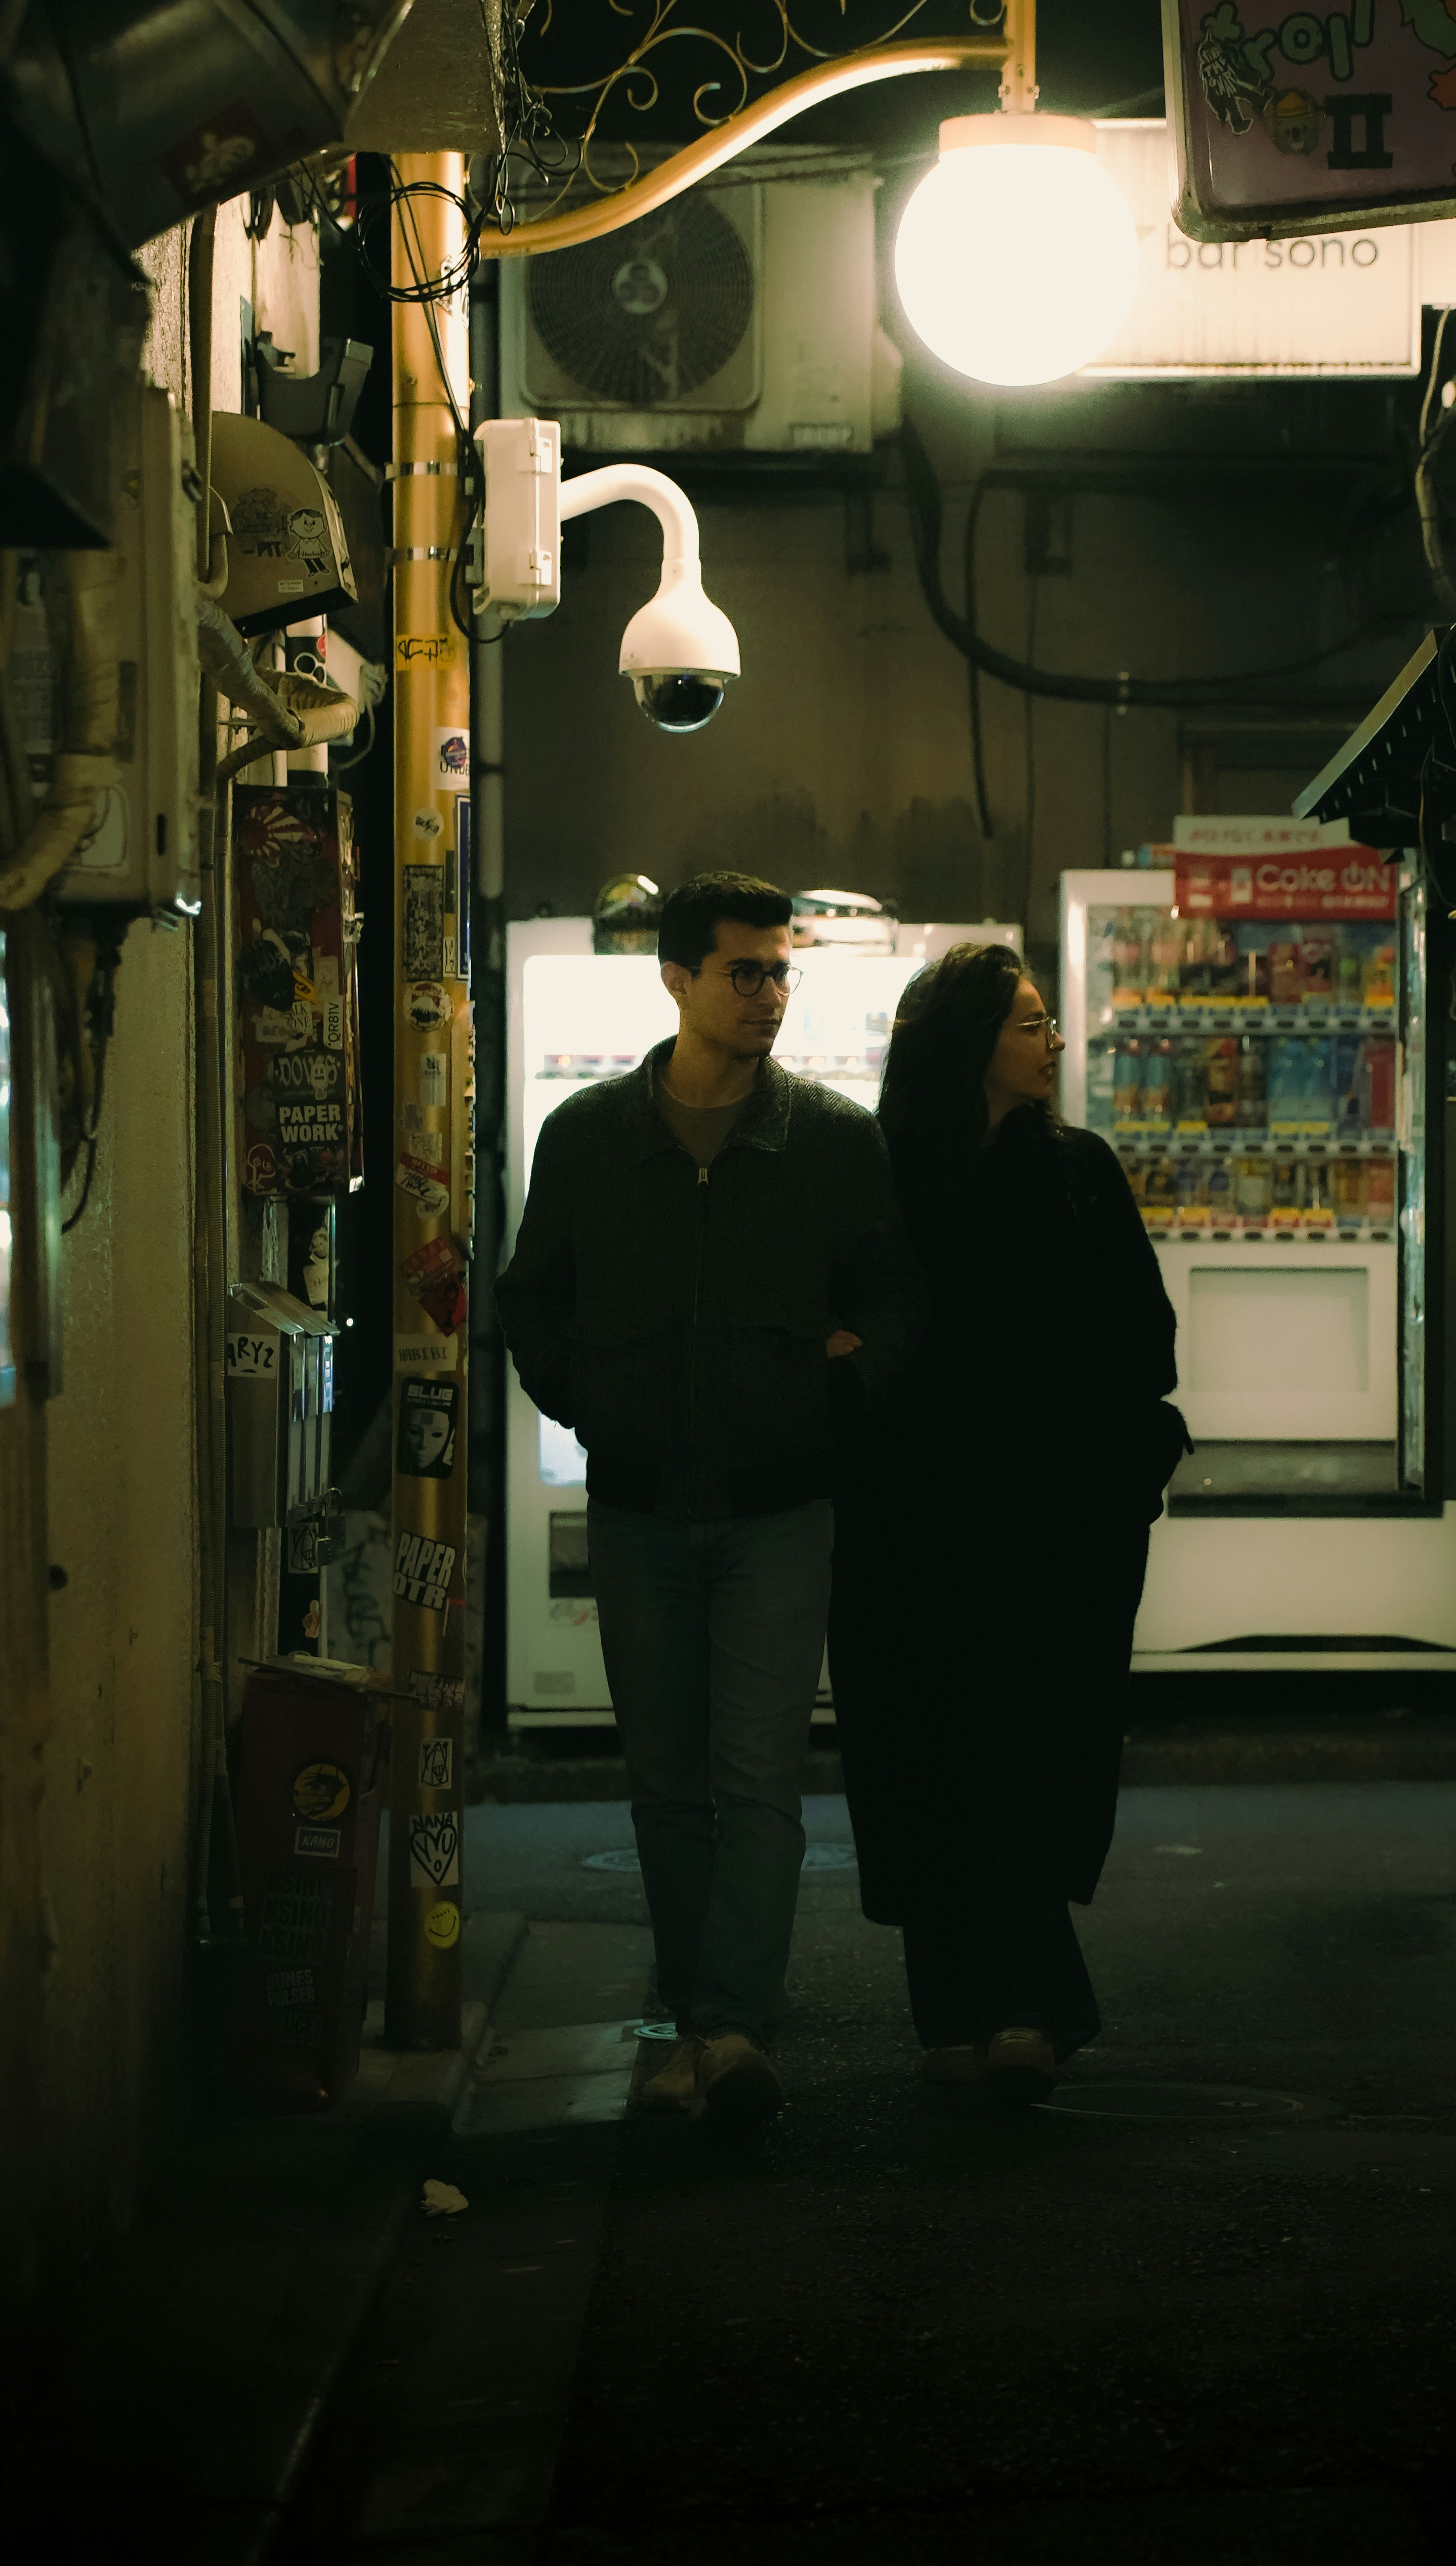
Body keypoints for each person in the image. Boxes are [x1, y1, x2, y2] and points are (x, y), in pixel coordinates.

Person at [496, 870, 921, 2125]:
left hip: (783, 1505)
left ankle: (734, 2023)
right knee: (666, 1783)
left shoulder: (835, 1142)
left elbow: (897, 1298)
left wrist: (845, 1385)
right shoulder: (585, 1135)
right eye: (746, 971)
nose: (771, 994)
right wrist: (590, 1402)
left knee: (758, 1781)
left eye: (783, 971)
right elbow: (531, 1299)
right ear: (676, 977)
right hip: (635, 1504)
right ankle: (694, 2011)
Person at [829, 944, 1186, 2103]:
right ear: (969, 1040)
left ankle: (1003, 2010)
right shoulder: (880, 1170)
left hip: (1049, 1520)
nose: (1051, 1041)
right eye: (1030, 1022)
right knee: (930, 1754)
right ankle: (990, 2010)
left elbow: (1145, 1334)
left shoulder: (1078, 1166)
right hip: (914, 1523)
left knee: (1011, 1747)